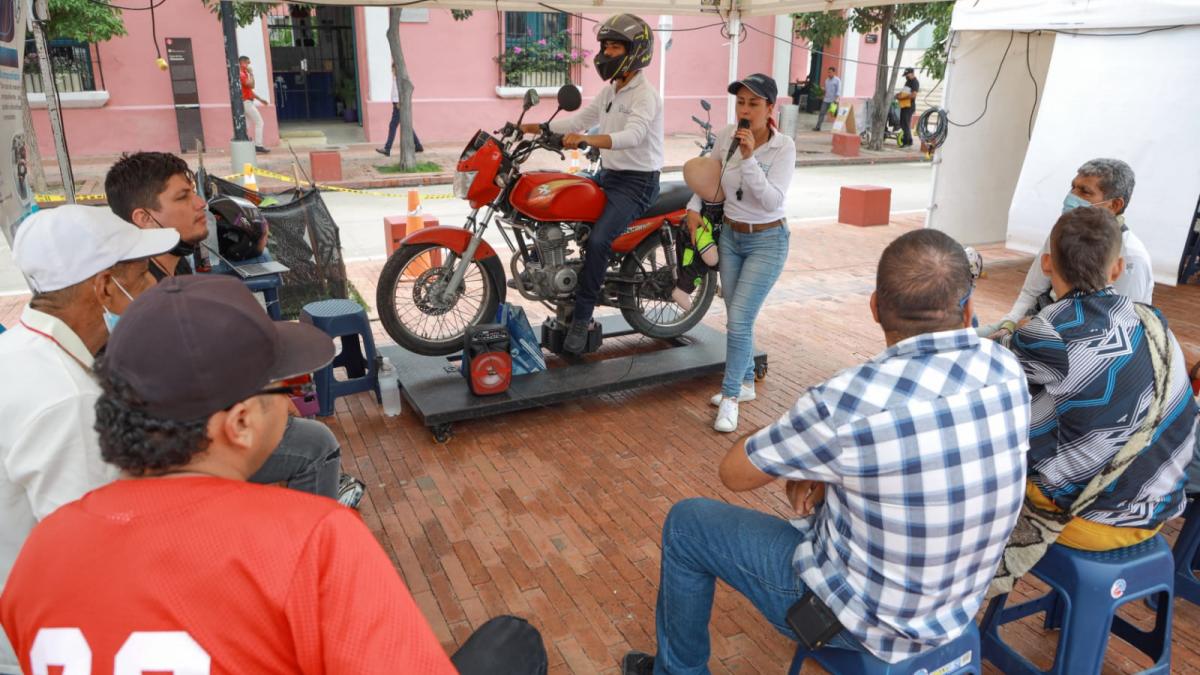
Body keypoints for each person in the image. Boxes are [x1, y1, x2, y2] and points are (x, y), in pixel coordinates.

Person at [0, 275, 548, 674]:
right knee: (512, 642)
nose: (294, 408)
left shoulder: (38, 553)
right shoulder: (312, 540)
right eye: (287, 392)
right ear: (239, 422)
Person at [621, 229, 1031, 674]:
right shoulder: (1006, 370)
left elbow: (735, 474)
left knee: (687, 524)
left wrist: (806, 460)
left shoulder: (848, 404)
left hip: (861, 620)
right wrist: (823, 470)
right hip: (957, 606)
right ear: (968, 309)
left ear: (874, 308)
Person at [105, 151, 366, 507]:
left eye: (194, 192)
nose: (201, 204)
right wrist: (261, 405)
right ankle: (307, 542)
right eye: (183, 197)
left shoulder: (173, 268)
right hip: (179, 449)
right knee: (316, 445)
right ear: (144, 218)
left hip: (198, 425)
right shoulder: (136, 294)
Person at [0, 205, 179, 673]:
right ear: (103, 287)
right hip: (41, 642)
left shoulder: (19, 351)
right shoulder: (66, 400)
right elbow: (91, 562)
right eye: (141, 278)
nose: (151, 289)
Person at [991, 207, 1195, 572]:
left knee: (994, 436)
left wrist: (1017, 332)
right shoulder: (1153, 322)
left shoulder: (1047, 332)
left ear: (1047, 264)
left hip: (1090, 519)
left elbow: (993, 367)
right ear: (1117, 268)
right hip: (1157, 510)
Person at [520, 13, 664, 354]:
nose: (607, 53)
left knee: (599, 241)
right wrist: (533, 128)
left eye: (615, 47)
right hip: (610, 175)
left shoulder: (645, 95)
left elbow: (633, 135)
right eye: (605, 46)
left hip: (637, 182)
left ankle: (582, 317)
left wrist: (589, 141)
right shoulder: (611, 89)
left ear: (635, 51)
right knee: (564, 202)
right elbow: (578, 120)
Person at [685, 74, 795, 433]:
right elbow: (711, 180)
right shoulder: (727, 135)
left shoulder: (784, 147)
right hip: (731, 236)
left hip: (767, 240)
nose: (745, 110)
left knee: (739, 320)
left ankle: (731, 396)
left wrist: (749, 159)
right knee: (736, 313)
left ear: (770, 108)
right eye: (741, 102)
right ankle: (746, 380)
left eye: (754, 103)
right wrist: (693, 207)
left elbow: (772, 201)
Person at [979, 158, 1153, 340]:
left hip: (1074, 341)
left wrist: (1036, 336)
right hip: (1038, 324)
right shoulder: (1062, 233)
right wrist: (1010, 326)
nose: (1071, 197)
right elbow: (1033, 290)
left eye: (1085, 192)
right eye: (1073, 187)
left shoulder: (1132, 257)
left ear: (1115, 205)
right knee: (959, 342)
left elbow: (1119, 328)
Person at [377, 63, 424, 157]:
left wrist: (399, 102)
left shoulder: (399, 79)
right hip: (396, 105)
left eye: (393, 69)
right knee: (406, 126)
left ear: (397, 69)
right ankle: (418, 145)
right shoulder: (396, 79)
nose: (392, 71)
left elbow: (401, 91)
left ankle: (387, 148)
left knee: (393, 126)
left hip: (398, 105)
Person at [239, 56, 269, 154]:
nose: (248, 65)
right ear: (242, 62)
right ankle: (258, 145)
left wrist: (260, 99)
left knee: (247, 124)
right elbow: (251, 85)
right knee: (259, 122)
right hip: (246, 102)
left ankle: (245, 144)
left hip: (247, 101)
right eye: (247, 63)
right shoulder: (241, 74)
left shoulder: (244, 74)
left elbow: (250, 89)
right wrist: (251, 73)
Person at [896, 67, 919, 147]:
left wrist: (902, 97)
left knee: (905, 124)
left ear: (912, 73)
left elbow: (913, 95)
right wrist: (898, 95)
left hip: (910, 106)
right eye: (905, 75)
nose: (906, 76)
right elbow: (905, 92)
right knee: (903, 123)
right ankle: (908, 141)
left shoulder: (915, 82)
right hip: (904, 105)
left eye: (907, 75)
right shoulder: (908, 81)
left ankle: (907, 142)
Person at [812, 66, 840, 131]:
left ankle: (838, 129)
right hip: (826, 100)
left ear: (833, 72)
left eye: (830, 72)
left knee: (835, 115)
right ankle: (818, 127)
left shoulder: (837, 80)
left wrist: (836, 99)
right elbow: (826, 90)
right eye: (828, 72)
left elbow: (838, 91)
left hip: (833, 101)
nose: (829, 73)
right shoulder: (827, 80)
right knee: (821, 113)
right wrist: (822, 93)